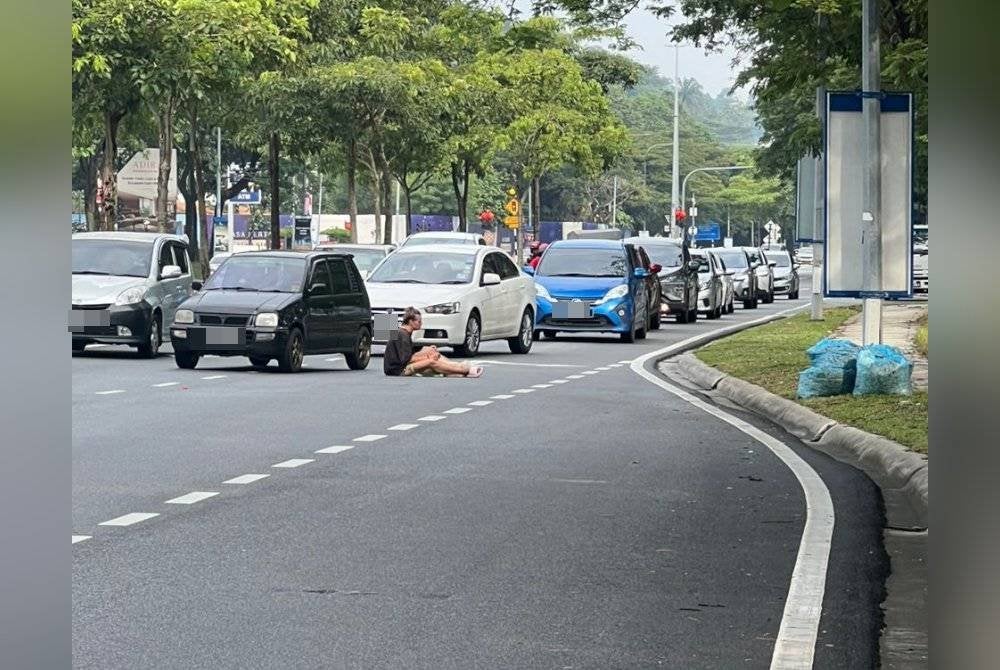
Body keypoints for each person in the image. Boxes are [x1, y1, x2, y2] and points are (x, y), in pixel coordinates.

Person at [383, 307, 484, 378]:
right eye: (419, 321)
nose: (421, 323)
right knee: (431, 362)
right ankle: (465, 370)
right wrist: (427, 358)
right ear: (410, 321)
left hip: (402, 365)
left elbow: (411, 352)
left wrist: (428, 351)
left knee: (432, 352)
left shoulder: (404, 333)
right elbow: (406, 359)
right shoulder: (402, 335)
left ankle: (455, 367)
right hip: (398, 370)